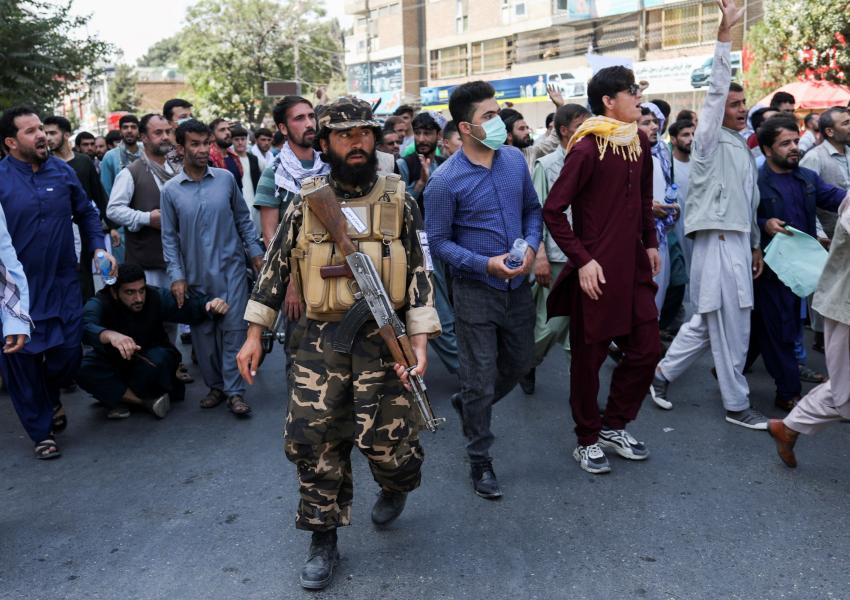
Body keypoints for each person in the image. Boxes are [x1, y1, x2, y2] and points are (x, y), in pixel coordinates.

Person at [236, 96, 440, 591]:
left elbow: (418, 272)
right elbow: (276, 268)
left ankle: (397, 485)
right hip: (317, 342)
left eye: (365, 134)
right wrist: (254, 334)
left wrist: (419, 340)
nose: (357, 142)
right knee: (314, 443)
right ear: (323, 142)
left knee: (390, 445)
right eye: (345, 135)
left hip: (382, 336)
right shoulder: (306, 200)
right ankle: (322, 539)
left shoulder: (398, 197)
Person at [649, 0, 768, 430]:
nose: (738, 107)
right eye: (732, 102)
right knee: (733, 324)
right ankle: (737, 405)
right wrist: (725, 37)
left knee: (703, 322)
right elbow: (715, 91)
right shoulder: (708, 139)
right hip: (715, 240)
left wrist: (754, 245)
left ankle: (660, 377)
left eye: (742, 102)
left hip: (736, 240)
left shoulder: (741, 145)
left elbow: (748, 203)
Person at [543, 61, 660, 474]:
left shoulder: (640, 143)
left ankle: (614, 424)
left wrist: (650, 242)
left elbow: (645, 201)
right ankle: (587, 437)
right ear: (609, 102)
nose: (638, 97)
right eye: (631, 91)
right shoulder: (588, 147)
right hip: (596, 273)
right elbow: (553, 211)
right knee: (588, 361)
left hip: (634, 270)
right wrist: (583, 261)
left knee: (647, 350)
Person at [426, 81, 541, 498]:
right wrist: (484, 264)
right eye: (488, 116)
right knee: (478, 376)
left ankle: (470, 403)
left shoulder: (513, 160)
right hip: (475, 290)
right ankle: (480, 460)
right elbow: (438, 243)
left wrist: (531, 245)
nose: (498, 122)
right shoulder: (445, 181)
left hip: (518, 286)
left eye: (497, 113)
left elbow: (532, 209)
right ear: (466, 127)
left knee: (521, 359)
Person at [0, 106, 117, 459]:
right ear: (10, 142)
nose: (42, 136)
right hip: (16, 292)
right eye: (31, 131)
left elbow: (87, 213)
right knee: (21, 362)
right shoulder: (2, 179)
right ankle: (41, 433)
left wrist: (98, 248)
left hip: (65, 282)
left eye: (42, 129)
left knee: (67, 355)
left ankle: (50, 396)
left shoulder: (63, 172)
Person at [160, 119, 264, 417]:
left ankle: (235, 392)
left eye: (207, 143)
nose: (203, 149)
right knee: (204, 335)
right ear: (181, 148)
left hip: (231, 268)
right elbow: (168, 238)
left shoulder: (225, 179)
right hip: (194, 275)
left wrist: (255, 254)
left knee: (234, 330)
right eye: (195, 144)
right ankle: (216, 386)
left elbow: (243, 220)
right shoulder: (171, 191)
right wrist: (177, 276)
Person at [750, 115, 846, 411]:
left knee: (766, 326)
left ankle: (732, 368)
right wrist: (764, 223)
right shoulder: (755, 182)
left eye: (795, 141)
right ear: (767, 149)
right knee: (781, 329)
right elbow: (741, 217)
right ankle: (788, 392)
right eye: (785, 143)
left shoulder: (806, 178)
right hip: (769, 268)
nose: (794, 147)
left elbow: (838, 199)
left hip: (797, 269)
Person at [105, 113, 193, 384]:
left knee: (176, 312)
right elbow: (114, 210)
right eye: (158, 133)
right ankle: (155, 365)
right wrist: (146, 218)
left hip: (179, 257)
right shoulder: (130, 173)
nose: (165, 137)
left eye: (168, 131)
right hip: (148, 259)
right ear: (144, 138)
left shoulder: (180, 168)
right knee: (151, 315)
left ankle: (173, 359)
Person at [77, 264, 230, 420]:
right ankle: (143, 402)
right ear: (114, 293)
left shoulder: (154, 296)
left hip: (149, 361)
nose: (138, 298)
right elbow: (84, 327)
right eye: (130, 292)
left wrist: (210, 305)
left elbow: (187, 307)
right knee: (80, 366)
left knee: (160, 360)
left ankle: (115, 394)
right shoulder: (100, 302)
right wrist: (109, 335)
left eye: (141, 290)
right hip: (114, 362)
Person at [767, 195, 850, 468]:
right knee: (845, 392)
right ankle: (789, 427)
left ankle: (789, 427)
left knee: (844, 388)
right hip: (845, 308)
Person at [520, 103, 590, 394]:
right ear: (564, 131)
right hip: (558, 257)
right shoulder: (547, 166)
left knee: (584, 334)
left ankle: (584, 397)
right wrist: (540, 257)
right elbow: (535, 213)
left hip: (587, 259)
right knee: (550, 327)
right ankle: (526, 363)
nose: (587, 135)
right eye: (579, 129)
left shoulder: (592, 160)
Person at [43, 115, 117, 300]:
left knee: (87, 276)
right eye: (45, 133)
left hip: (84, 229)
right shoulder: (44, 163)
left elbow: (98, 194)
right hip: (57, 229)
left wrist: (112, 226)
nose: (48, 137)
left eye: (53, 133)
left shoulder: (84, 162)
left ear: (66, 134)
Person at [637, 106, 677, 313]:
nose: (654, 127)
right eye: (646, 123)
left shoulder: (661, 153)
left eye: (655, 121)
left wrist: (672, 208)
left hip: (660, 238)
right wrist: (648, 208)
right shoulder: (626, 155)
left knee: (658, 299)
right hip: (638, 241)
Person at [396, 112, 445, 205]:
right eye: (417, 133)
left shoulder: (444, 164)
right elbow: (400, 206)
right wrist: (420, 183)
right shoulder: (403, 164)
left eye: (427, 133)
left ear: (438, 135)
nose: (421, 139)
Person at [231, 125, 263, 232]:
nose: (240, 142)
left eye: (242, 139)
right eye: (236, 139)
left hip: (255, 205)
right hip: (237, 205)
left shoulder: (254, 159)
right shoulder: (229, 160)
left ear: (247, 140)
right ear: (232, 141)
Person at [100, 114, 142, 197]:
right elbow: (106, 190)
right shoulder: (110, 157)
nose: (129, 130)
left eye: (133, 127)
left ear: (139, 131)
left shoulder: (146, 152)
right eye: (125, 127)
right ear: (120, 132)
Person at [208, 118, 243, 188]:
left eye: (228, 129)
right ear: (212, 136)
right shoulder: (208, 159)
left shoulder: (234, 156)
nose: (228, 132)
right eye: (222, 130)